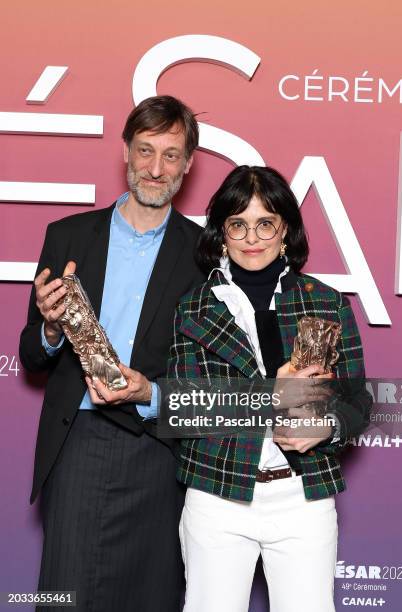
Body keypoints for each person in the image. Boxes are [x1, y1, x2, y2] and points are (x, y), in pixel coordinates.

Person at [19, 95, 205, 612]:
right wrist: (51, 330)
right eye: (145, 150)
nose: (154, 167)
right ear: (125, 151)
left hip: (160, 450)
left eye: (171, 155)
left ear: (189, 164)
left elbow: (210, 373)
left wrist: (155, 393)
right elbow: (31, 352)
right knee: (65, 598)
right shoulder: (68, 236)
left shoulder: (203, 255)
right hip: (77, 442)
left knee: (151, 597)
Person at [167, 165, 372, 612]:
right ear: (222, 233)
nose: (252, 237)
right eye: (238, 224)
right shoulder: (194, 308)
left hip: (304, 497)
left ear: (286, 231)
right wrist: (269, 391)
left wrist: (330, 428)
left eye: (265, 223)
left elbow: (359, 397)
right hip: (217, 498)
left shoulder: (325, 301)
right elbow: (185, 410)